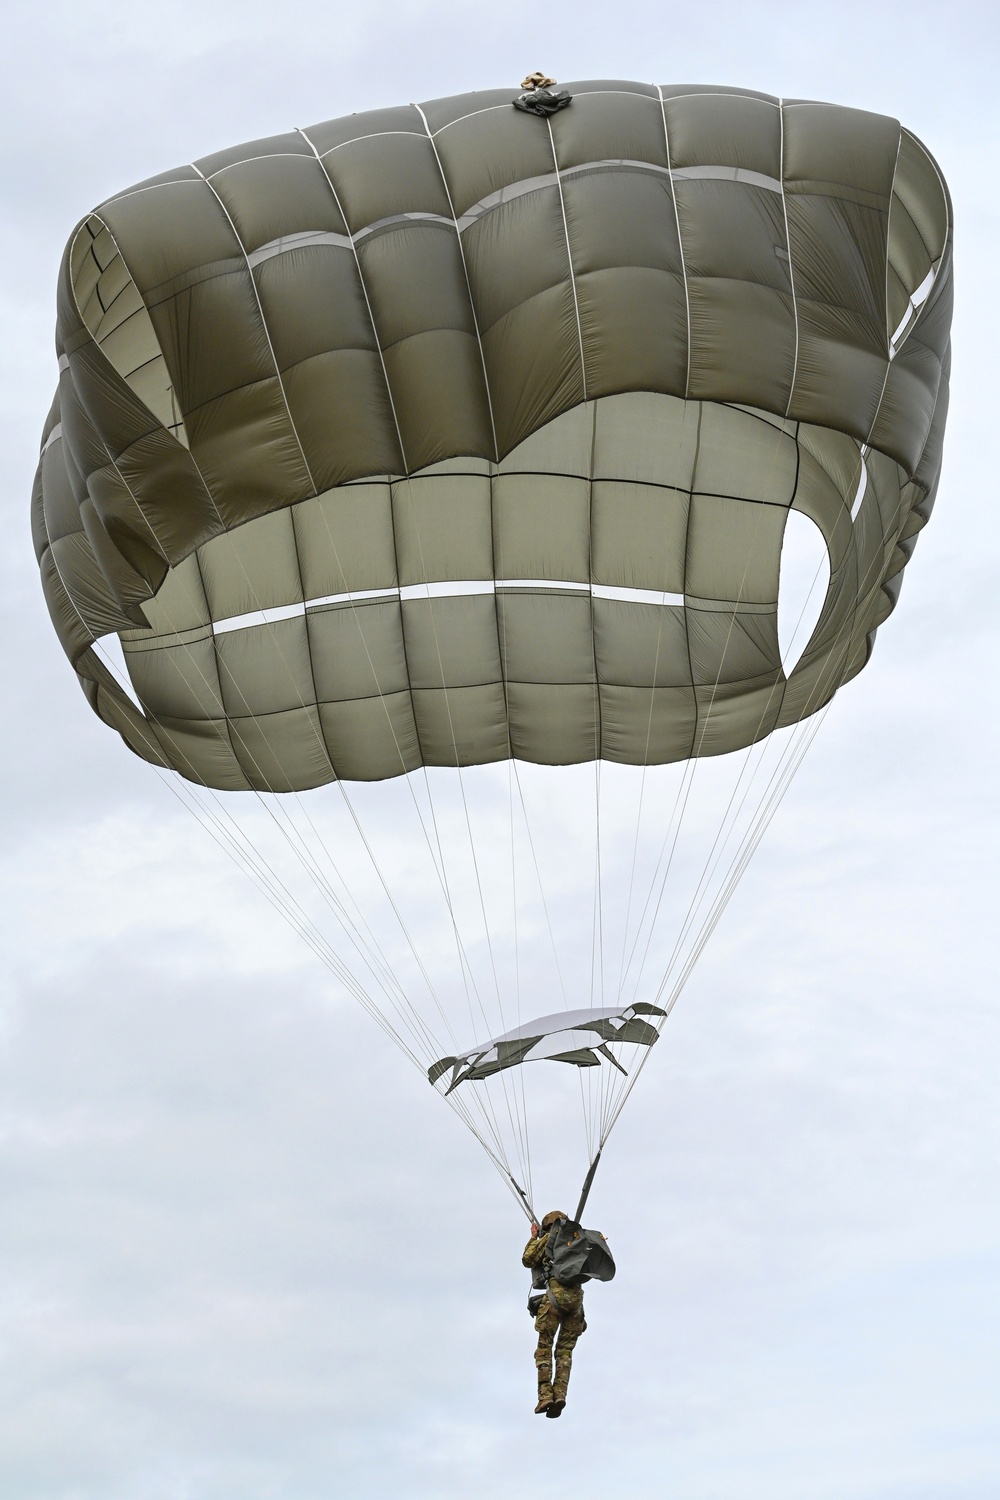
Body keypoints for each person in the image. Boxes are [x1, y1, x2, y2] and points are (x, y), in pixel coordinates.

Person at [522, 1210, 587, 1418]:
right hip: (576, 1303)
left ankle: (545, 1396)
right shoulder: (577, 1239)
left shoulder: (551, 1237)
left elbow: (528, 1259)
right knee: (564, 1352)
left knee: (544, 1347)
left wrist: (533, 1238)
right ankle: (560, 1395)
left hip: (554, 1299)